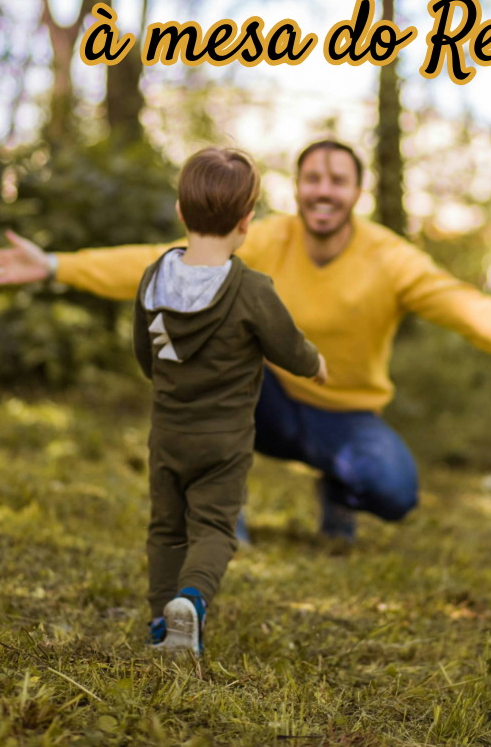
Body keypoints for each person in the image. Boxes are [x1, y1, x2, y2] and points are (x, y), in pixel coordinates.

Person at [0, 139, 491, 543]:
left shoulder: (391, 259)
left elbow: (475, 313)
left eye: (337, 178)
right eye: (311, 177)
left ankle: (339, 488)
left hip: (344, 415)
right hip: (263, 401)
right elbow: (163, 259)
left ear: (356, 191)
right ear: (296, 189)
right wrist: (57, 264)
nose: (322, 189)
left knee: (395, 494)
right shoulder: (267, 237)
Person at [133, 146, 327, 655]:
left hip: (169, 434)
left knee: (166, 529)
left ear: (181, 211)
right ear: (248, 220)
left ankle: (161, 623)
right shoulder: (252, 290)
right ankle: (192, 602)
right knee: (214, 527)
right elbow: (289, 347)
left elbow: (145, 355)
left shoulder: (153, 281)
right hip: (224, 443)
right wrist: (316, 365)